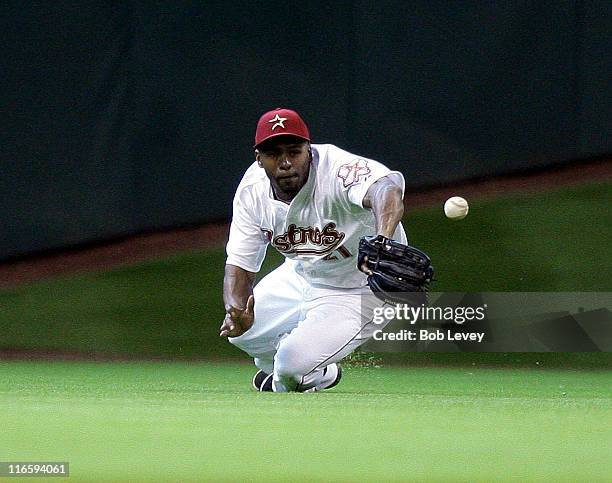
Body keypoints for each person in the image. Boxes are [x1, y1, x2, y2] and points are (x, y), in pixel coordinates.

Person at [220, 107, 407, 392]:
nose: (285, 162)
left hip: (359, 287)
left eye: (294, 152)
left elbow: (387, 190)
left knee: (289, 368)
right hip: (301, 274)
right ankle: (305, 366)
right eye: (273, 154)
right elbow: (239, 266)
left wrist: (383, 240)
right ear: (259, 159)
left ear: (309, 150)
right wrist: (235, 308)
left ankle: (303, 371)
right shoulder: (252, 192)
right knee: (243, 334)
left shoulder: (339, 171)